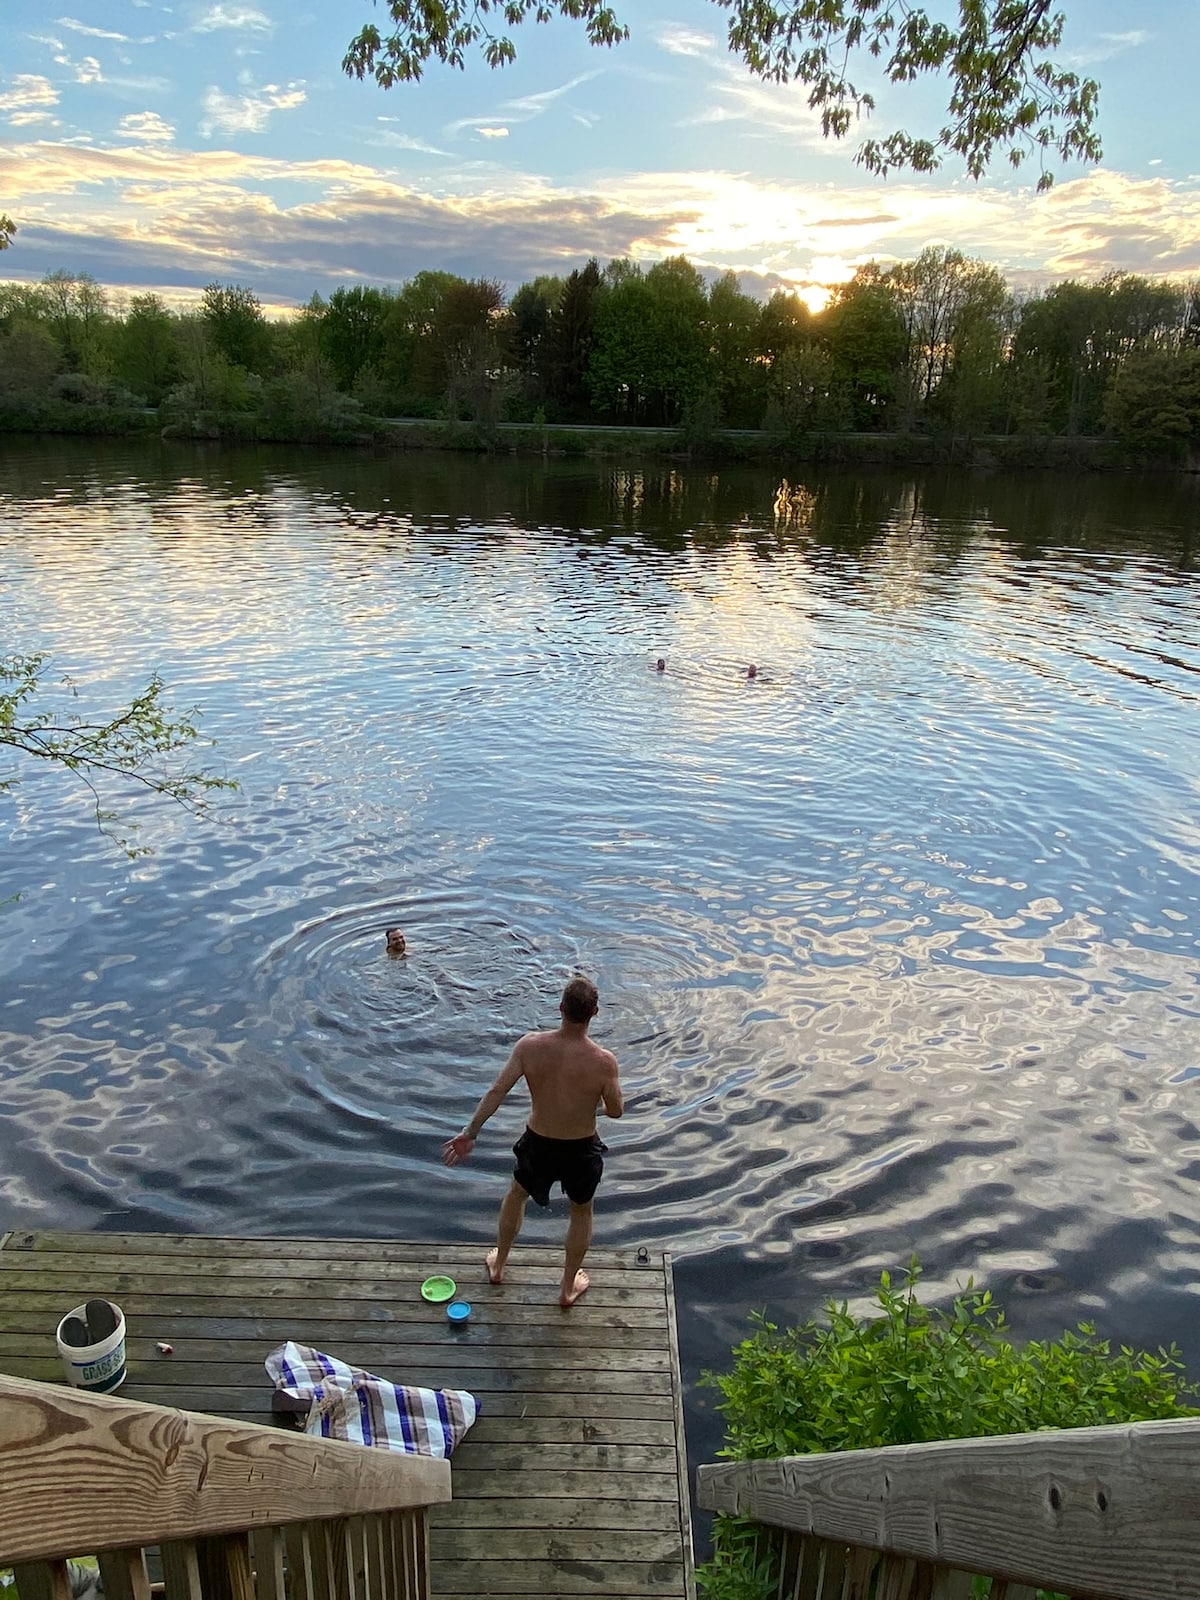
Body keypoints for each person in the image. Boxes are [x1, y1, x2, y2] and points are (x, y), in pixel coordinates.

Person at [442, 975, 623, 1308]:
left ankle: (499, 1265)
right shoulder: (603, 1061)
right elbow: (615, 1111)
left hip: (538, 1141)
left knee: (517, 1194)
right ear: (594, 1012)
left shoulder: (529, 1046)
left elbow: (497, 1091)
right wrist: (593, 1096)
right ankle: (567, 1289)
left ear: (561, 1008)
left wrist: (470, 1132)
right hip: (581, 1148)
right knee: (581, 1211)